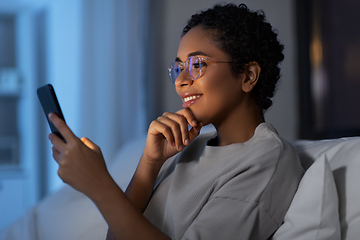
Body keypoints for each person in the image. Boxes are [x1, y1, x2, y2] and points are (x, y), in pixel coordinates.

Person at [48, 3, 303, 240]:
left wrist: (98, 184)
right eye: (178, 67)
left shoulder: (267, 159)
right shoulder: (191, 147)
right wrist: (150, 162)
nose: (180, 80)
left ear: (248, 75)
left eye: (198, 64)